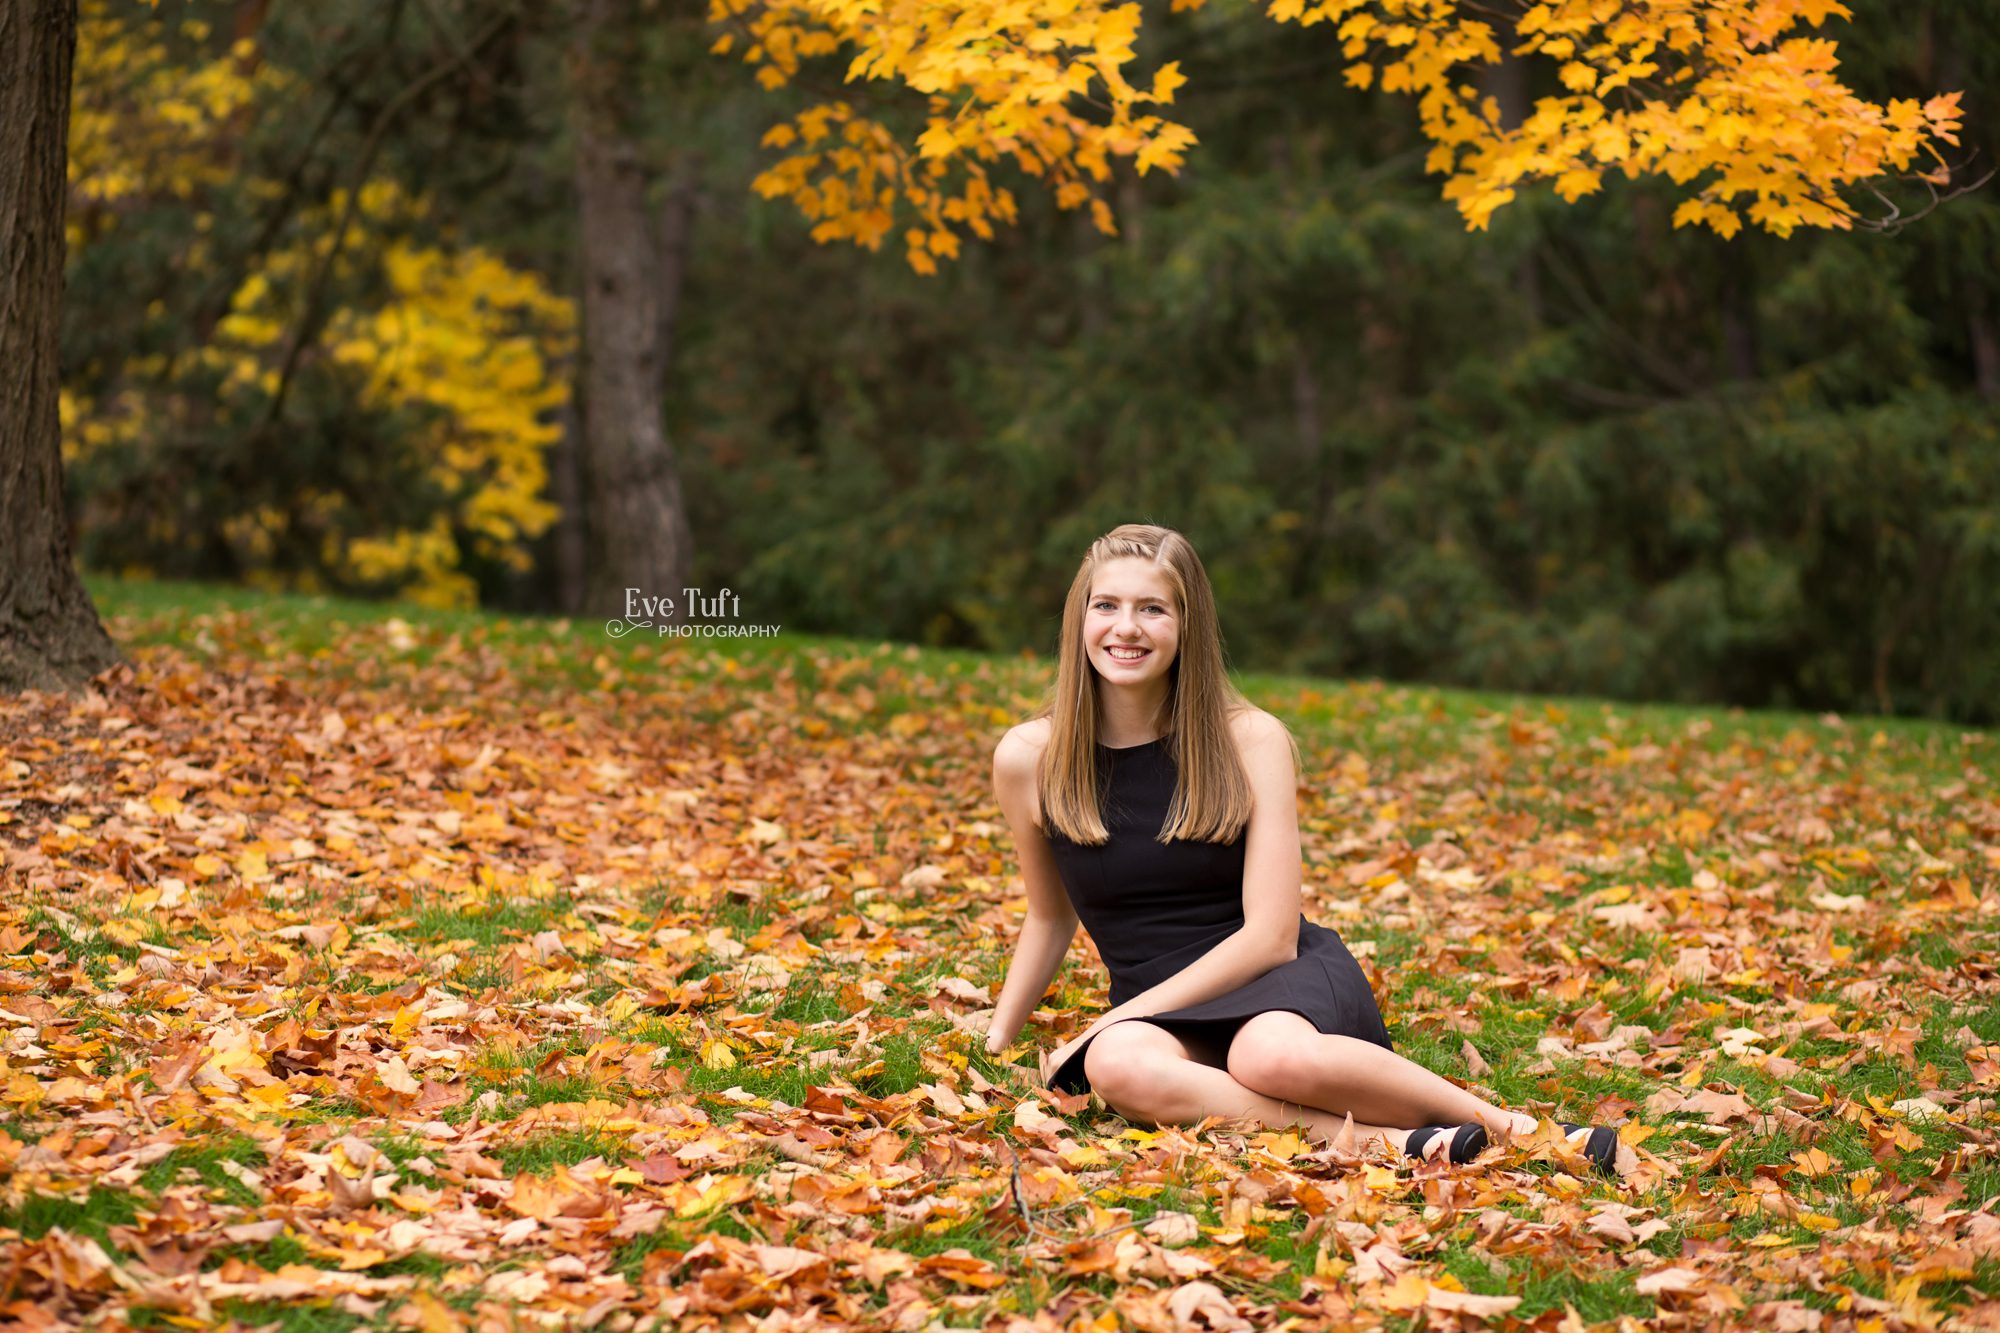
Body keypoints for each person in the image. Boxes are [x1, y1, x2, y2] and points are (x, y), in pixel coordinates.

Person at [983, 523, 1618, 1172]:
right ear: (1079, 617)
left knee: (1269, 1056)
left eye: (1153, 608)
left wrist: (1103, 1022)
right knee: (1118, 1066)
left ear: (1187, 623)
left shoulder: (1251, 739)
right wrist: (1000, 1037)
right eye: (1107, 605)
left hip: (1279, 980)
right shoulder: (1031, 757)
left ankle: (1518, 1130)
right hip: (1162, 1008)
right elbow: (1049, 915)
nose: (1127, 628)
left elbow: (1272, 936)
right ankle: (1390, 1143)